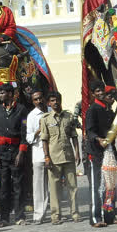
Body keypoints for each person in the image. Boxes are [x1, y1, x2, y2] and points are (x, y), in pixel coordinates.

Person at [0, 82, 29, 227]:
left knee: (18, 185)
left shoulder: (21, 110)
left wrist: (21, 152)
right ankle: (4, 218)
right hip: (1, 152)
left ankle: (19, 216)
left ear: (11, 94)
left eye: (2, 93)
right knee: (4, 186)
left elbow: (25, 132)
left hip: (16, 151)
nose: (0, 95)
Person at [40, 91, 81, 224]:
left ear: (60, 100)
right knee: (55, 188)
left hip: (68, 156)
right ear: (48, 103)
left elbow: (74, 136)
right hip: (53, 158)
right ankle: (55, 216)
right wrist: (46, 157)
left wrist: (77, 153)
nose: (55, 102)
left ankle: (75, 213)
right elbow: (44, 140)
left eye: (57, 100)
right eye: (52, 100)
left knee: (73, 187)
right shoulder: (45, 119)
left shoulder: (69, 117)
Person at [86, 82, 117, 227]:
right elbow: (89, 130)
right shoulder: (92, 109)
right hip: (96, 152)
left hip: (110, 151)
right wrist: (98, 139)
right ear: (93, 94)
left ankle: (110, 216)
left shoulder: (107, 109)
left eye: (102, 91)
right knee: (97, 185)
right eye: (98, 91)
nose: (101, 94)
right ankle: (95, 218)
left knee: (110, 184)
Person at [26, 90, 49, 224]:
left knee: (55, 184)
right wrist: (39, 130)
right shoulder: (31, 116)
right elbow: (28, 138)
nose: (39, 101)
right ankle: (38, 215)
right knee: (39, 186)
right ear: (33, 102)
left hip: (55, 153)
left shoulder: (52, 110)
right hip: (39, 154)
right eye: (36, 100)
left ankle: (56, 213)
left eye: (40, 98)